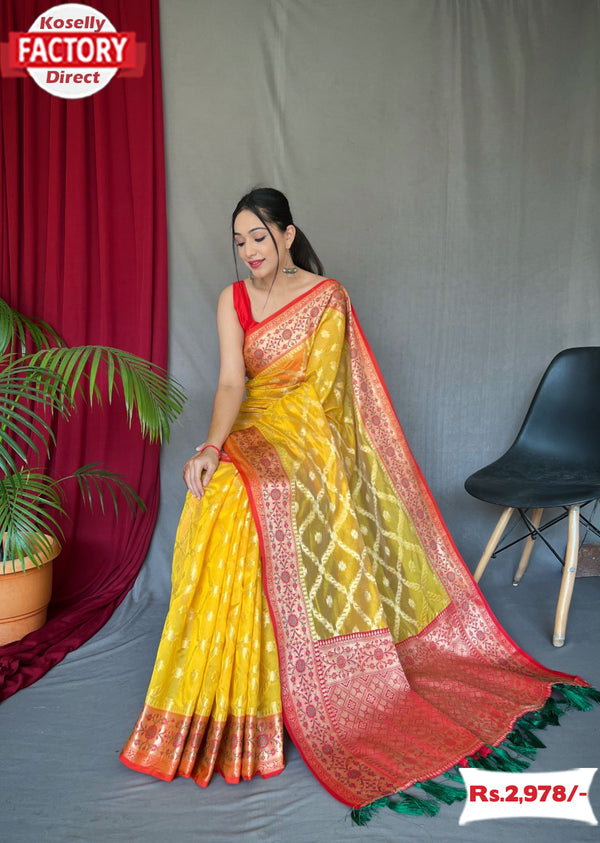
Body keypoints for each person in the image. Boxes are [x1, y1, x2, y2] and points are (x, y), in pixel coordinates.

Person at [120, 187, 596, 823]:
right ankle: (225, 698)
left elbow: (331, 400)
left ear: (288, 235)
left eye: (258, 236)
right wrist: (211, 445)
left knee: (264, 494)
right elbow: (234, 382)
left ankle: (291, 685)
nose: (248, 252)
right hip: (253, 427)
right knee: (222, 495)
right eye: (238, 242)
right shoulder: (231, 301)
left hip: (309, 433)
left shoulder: (326, 297)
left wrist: (299, 454)